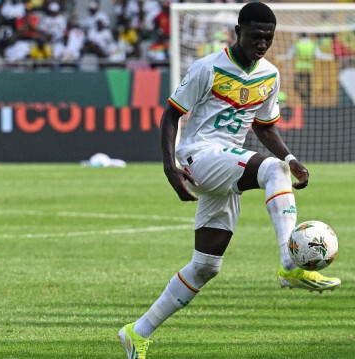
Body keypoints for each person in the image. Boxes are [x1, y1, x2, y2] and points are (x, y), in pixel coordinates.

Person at [117, 3, 340, 358]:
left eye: (268, 37)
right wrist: (169, 167)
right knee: (272, 170)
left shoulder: (270, 74)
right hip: (199, 155)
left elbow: (264, 127)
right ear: (238, 31)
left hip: (227, 162)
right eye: (255, 36)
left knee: (206, 267)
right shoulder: (207, 67)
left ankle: (136, 332)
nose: (262, 43)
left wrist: (292, 158)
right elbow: (171, 115)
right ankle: (288, 263)